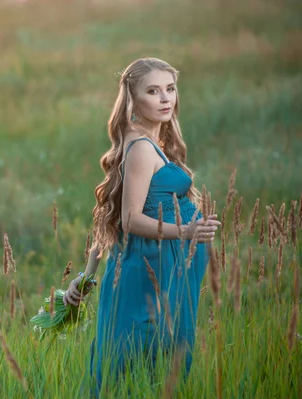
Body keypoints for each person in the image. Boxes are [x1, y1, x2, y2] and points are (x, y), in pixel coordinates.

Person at [62, 57, 221, 396]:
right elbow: (129, 220)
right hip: (146, 275)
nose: (165, 98)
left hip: (160, 269)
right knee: (139, 363)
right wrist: (187, 232)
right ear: (133, 99)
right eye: (153, 91)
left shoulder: (148, 144)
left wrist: (87, 275)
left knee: (153, 364)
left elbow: (110, 221)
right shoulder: (140, 150)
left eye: (170, 89)